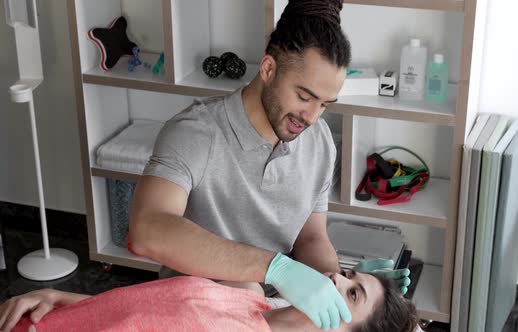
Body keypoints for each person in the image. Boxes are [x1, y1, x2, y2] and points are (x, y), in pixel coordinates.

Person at [125, 0, 409, 330]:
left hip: (270, 311)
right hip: (194, 314)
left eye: (324, 104)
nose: (312, 117)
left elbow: (311, 238)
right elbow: (146, 231)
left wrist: (343, 289)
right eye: (304, 96)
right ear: (268, 69)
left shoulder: (319, 142)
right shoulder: (196, 133)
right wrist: (274, 268)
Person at [0, 270, 417, 332]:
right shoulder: (257, 299)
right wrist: (58, 296)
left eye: (351, 293)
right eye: (349, 275)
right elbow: (143, 311)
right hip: (38, 317)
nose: (334, 278)